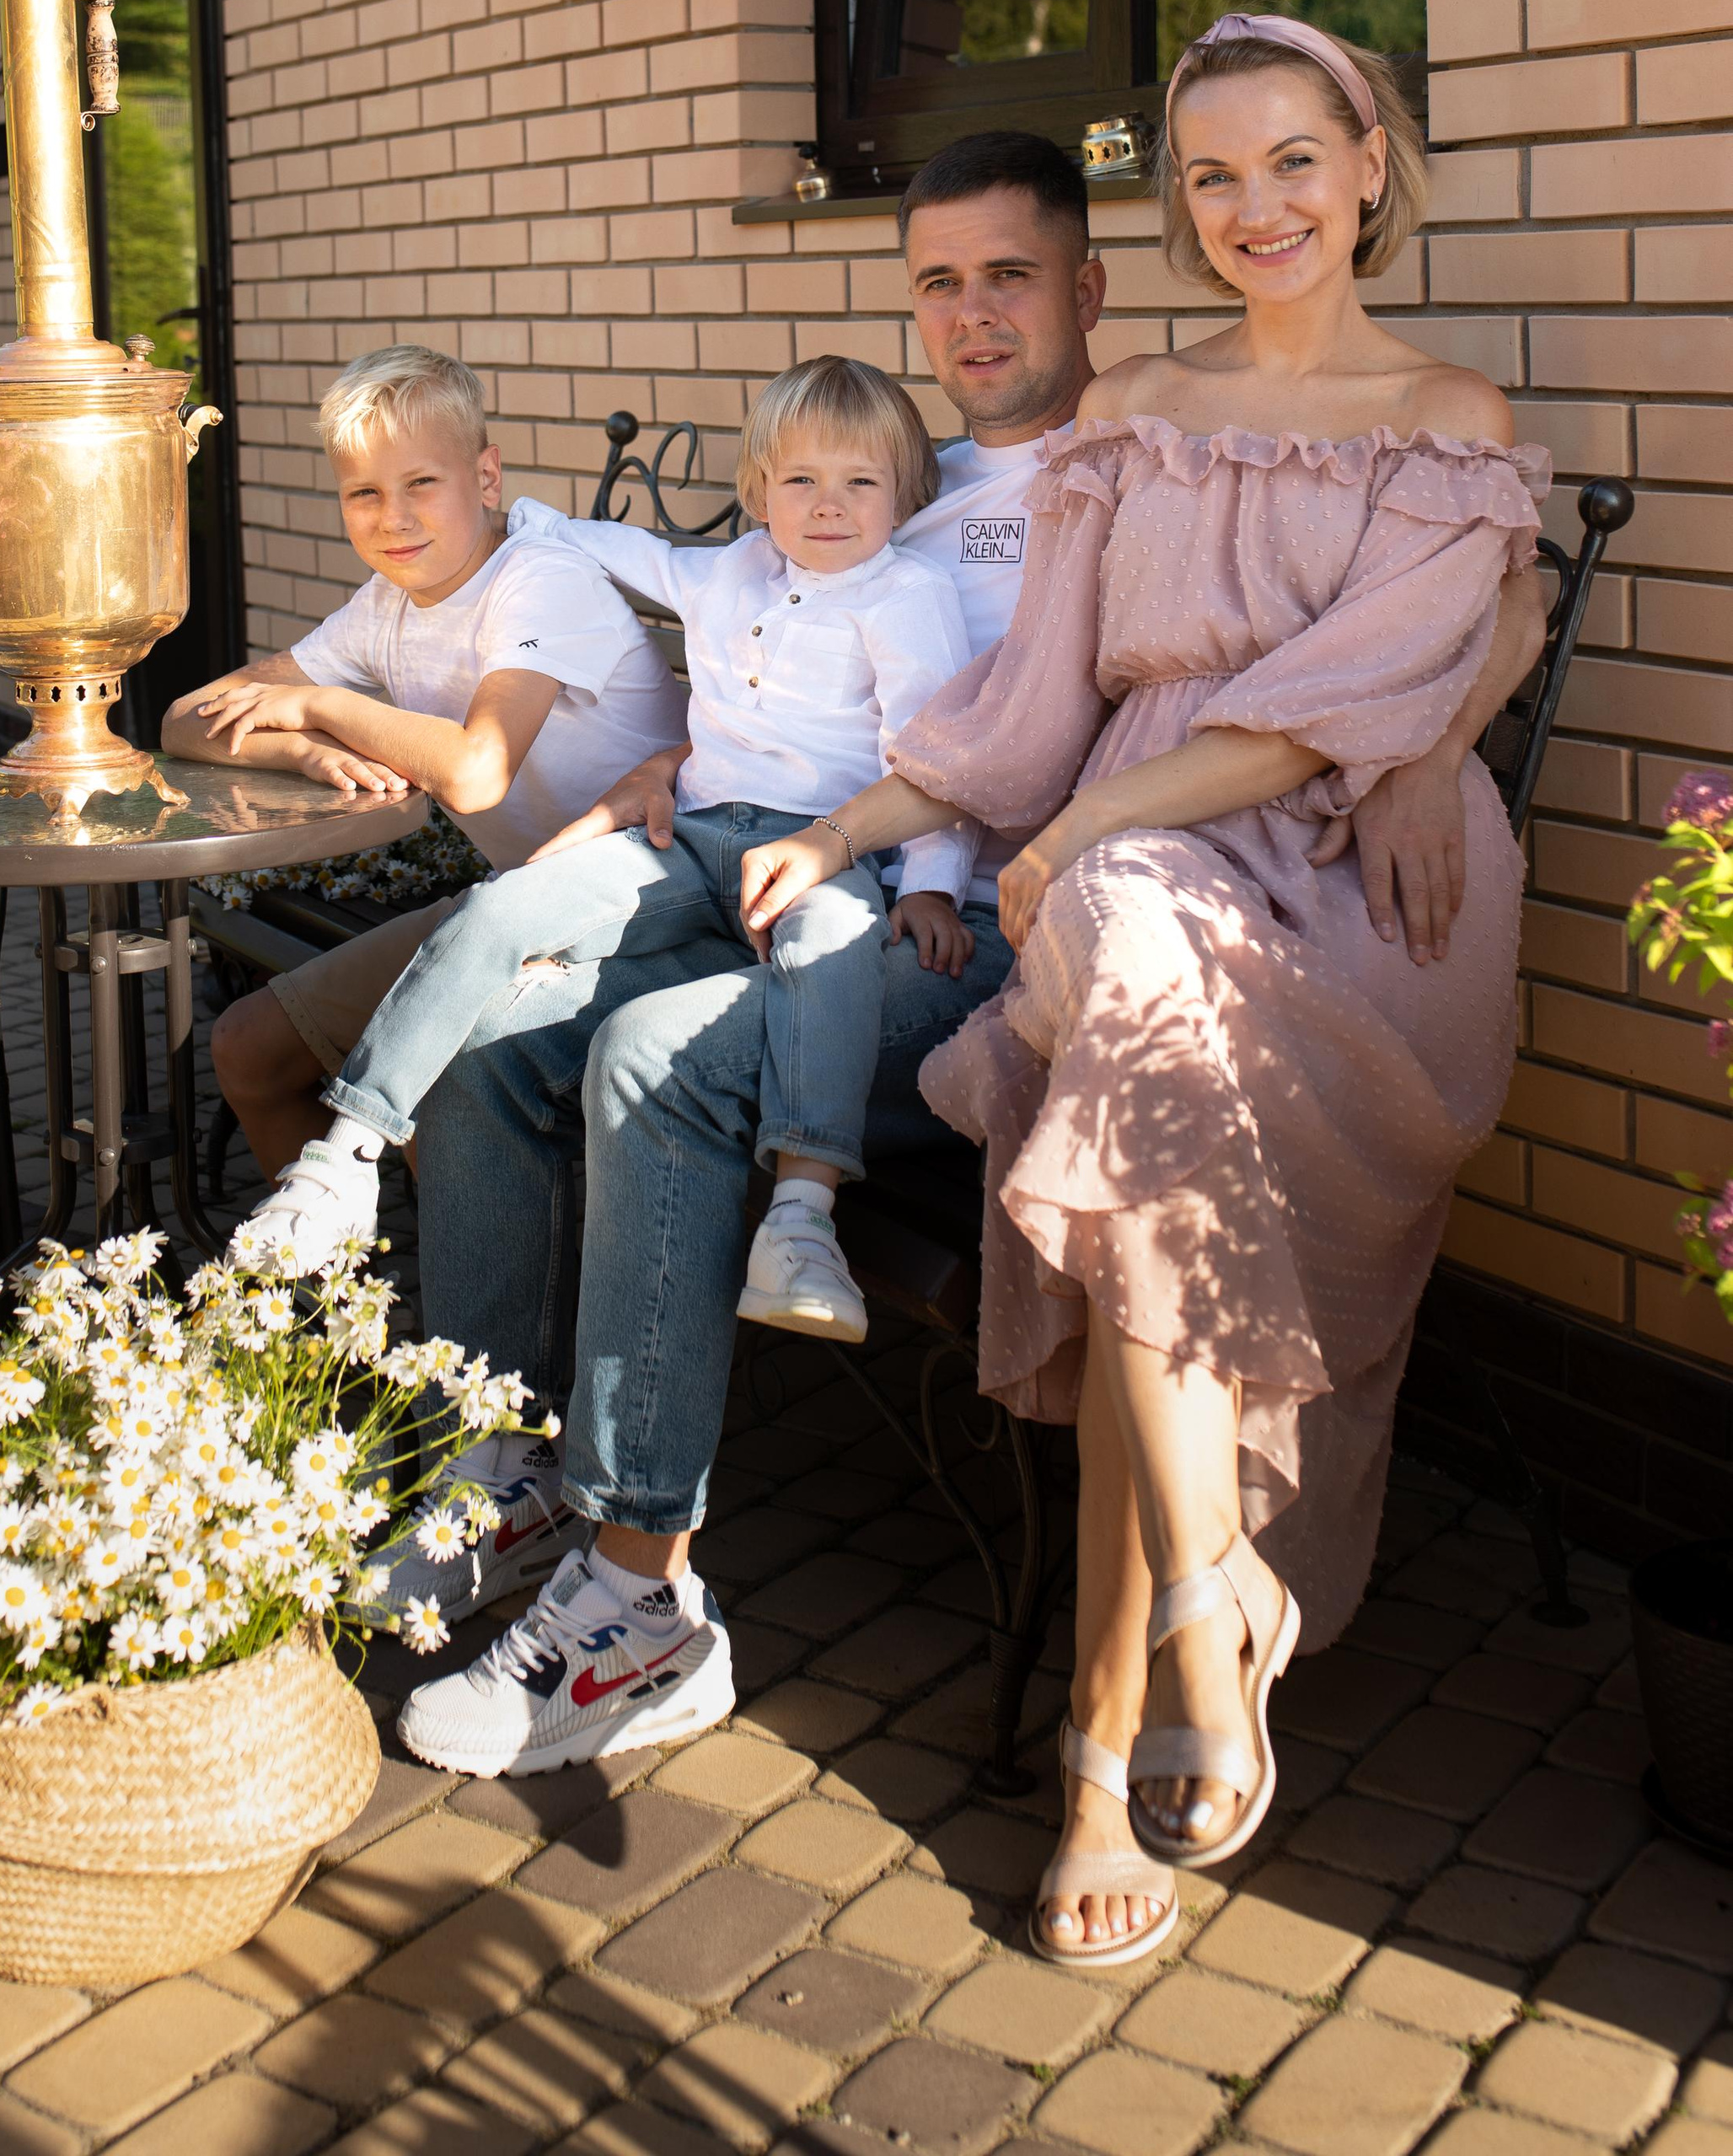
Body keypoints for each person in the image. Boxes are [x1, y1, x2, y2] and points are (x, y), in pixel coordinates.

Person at [376, 121, 1548, 1798]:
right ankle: (505, 1470)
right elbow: (768, 644)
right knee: (501, 1031)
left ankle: (637, 1604)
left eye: (1010, 276)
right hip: (833, 877)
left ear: (1089, 284)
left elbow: (1481, 587)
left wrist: (1432, 750)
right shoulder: (889, 475)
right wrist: (692, 770)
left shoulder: (1154, 435)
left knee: (655, 1056)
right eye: (939, 284)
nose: (973, 314)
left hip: (1013, 926)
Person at [735, 14, 1549, 1970]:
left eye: (1290, 160)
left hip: (1359, 899)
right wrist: (852, 827)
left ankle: (1131, 1721)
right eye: (1209, 174)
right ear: (1175, 208)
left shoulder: (1446, 405)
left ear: (1366, 162)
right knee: (1127, 1091)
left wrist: (1133, 816)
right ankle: (1189, 1627)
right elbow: (1022, 713)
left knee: (1106, 937)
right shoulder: (1139, 417)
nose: (1251, 204)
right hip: (1143, 908)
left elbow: (1337, 702)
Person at [295, 356, 977, 1329]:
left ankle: (800, 1214)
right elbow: (639, 554)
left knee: (830, 956)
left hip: (829, 850)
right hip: (690, 831)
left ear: (904, 494)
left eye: (859, 482)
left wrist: (935, 886)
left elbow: (937, 757)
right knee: (510, 903)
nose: (828, 507)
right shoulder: (734, 571)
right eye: (800, 482)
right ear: (759, 493)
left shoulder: (904, 597)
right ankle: (345, 1154)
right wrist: (530, 523)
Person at [164, 346, 684, 1224]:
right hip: (519, 905)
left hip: (650, 909)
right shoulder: (388, 603)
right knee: (249, 1047)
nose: (392, 518)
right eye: (363, 493)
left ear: (485, 477)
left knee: (441, 1096)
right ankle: (339, 1329)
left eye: (420, 484)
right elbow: (185, 719)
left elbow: (477, 772)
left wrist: (317, 702)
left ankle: (468, 1318)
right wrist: (297, 746)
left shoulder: (537, 580)